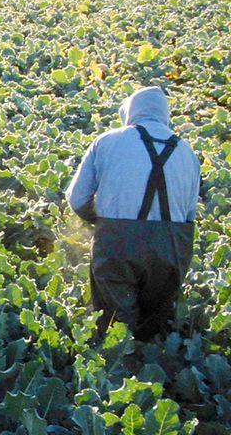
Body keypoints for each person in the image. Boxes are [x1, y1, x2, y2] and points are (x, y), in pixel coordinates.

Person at [66, 86, 200, 341]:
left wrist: (99, 221)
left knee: (117, 327)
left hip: (118, 243)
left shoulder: (107, 141)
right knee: (155, 328)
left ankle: (121, 373)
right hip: (172, 248)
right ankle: (155, 372)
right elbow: (189, 214)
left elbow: (77, 199)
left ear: (130, 111)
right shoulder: (188, 153)